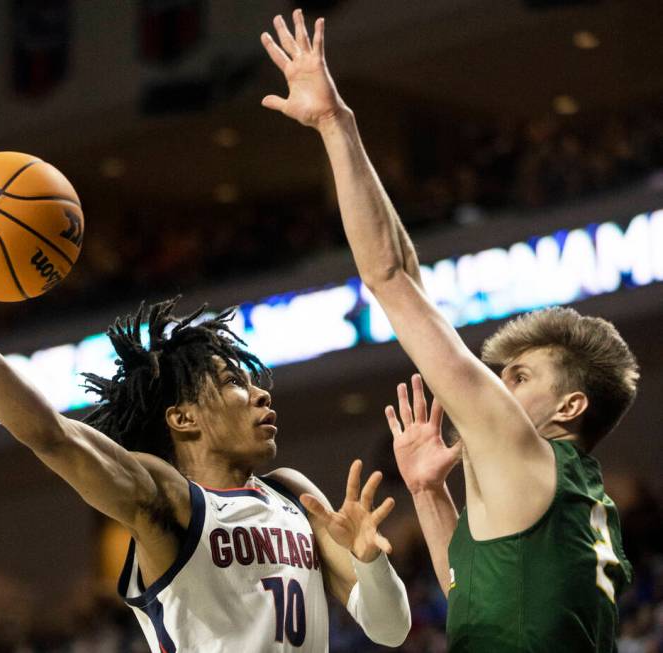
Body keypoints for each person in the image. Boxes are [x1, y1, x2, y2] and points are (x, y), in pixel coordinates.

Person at [0, 158, 409, 653]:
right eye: (234, 381)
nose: (260, 394)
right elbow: (50, 433)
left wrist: (369, 561)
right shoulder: (169, 502)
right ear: (183, 417)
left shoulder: (294, 496)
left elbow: (391, 629)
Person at [260, 9, 638, 651]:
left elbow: (391, 277)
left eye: (519, 376)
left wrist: (334, 122)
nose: (495, 386)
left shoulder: (525, 448)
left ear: (570, 406)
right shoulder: (580, 501)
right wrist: (429, 493)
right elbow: (470, 596)